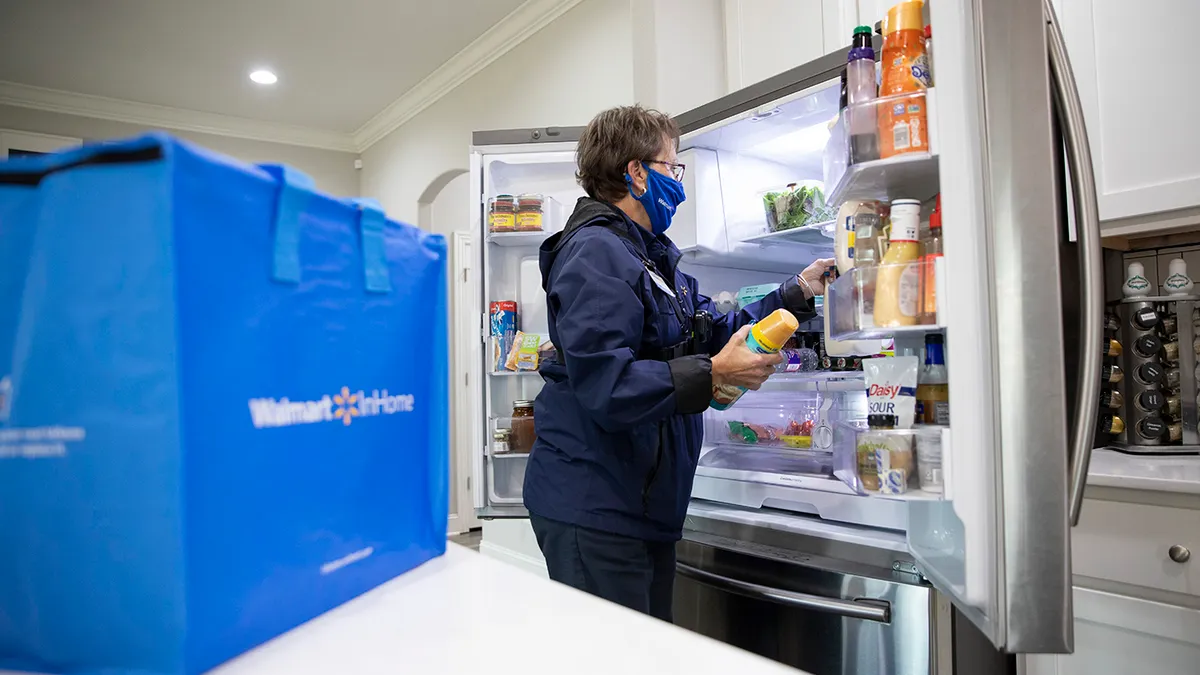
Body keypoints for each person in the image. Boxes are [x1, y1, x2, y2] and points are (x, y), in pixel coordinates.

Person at [522, 105, 834, 621]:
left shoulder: (648, 255)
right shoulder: (597, 253)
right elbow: (608, 385)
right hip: (595, 504)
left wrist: (796, 292)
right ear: (636, 172)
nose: (680, 185)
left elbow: (706, 329)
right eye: (672, 167)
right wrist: (715, 373)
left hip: (641, 504)